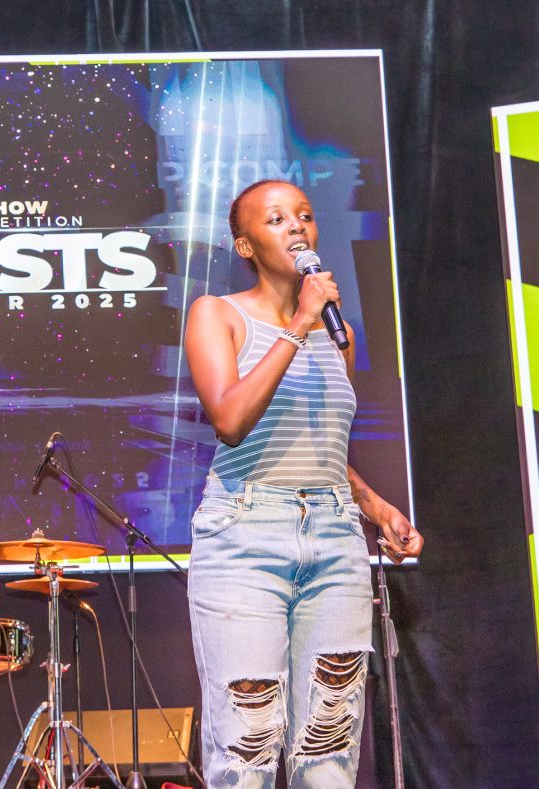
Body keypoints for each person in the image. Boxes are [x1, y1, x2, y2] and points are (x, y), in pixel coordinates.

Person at [184, 179, 424, 788]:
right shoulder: (218, 314)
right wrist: (297, 324)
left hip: (335, 542)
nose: (296, 226)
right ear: (245, 244)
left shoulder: (334, 335)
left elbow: (318, 446)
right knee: (248, 754)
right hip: (244, 540)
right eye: (276, 219)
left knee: (329, 754)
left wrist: (375, 507)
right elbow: (232, 421)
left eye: (306, 216)